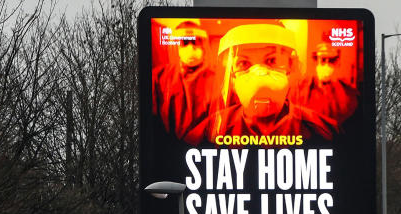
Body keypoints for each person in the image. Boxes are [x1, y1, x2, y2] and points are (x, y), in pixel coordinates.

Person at [209, 22, 337, 141]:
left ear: (291, 66)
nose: (259, 74)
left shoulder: (323, 131)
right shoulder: (211, 128)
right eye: (243, 63)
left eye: (272, 61)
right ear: (231, 75)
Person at [152, 20, 216, 144]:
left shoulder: (218, 79)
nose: (191, 48)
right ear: (177, 46)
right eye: (185, 42)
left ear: (204, 45)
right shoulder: (159, 77)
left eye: (196, 42)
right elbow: (152, 122)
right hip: (170, 151)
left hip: (208, 152)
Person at [295, 41, 358, 125]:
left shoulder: (347, 92)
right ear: (315, 62)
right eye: (323, 60)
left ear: (336, 63)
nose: (327, 65)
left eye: (331, 61)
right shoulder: (302, 89)